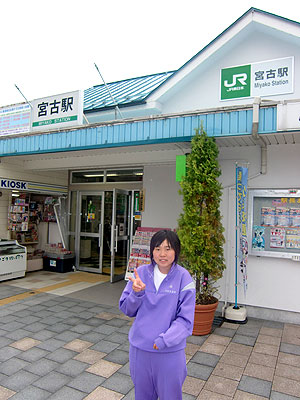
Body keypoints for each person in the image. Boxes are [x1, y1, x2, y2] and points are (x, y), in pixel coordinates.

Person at [119, 230, 196, 400]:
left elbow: (186, 320)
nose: (162, 254)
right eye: (157, 248)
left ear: (176, 251)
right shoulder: (141, 273)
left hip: (169, 353)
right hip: (140, 351)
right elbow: (126, 309)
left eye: (168, 249)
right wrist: (136, 294)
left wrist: (164, 340)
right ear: (151, 251)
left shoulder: (184, 277)